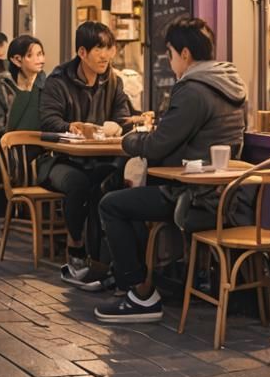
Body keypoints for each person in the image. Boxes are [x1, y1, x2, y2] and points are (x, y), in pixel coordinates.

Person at [94, 16, 247, 324]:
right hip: (227, 195)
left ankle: (140, 293)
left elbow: (158, 145)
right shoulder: (230, 83)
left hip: (194, 196)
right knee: (128, 194)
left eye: (171, 54)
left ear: (185, 54)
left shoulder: (193, 89)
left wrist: (126, 140)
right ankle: (142, 279)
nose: (170, 61)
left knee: (112, 204)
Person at [40, 21, 133, 282]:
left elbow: (122, 117)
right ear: (82, 52)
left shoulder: (113, 80)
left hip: (100, 158)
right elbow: (48, 121)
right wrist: (71, 126)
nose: (106, 55)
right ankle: (76, 246)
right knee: (79, 183)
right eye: (99, 49)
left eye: (109, 48)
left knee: (109, 183)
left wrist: (129, 123)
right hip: (60, 160)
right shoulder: (58, 81)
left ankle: (104, 257)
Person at [0, 35, 46, 135]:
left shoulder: (46, 84)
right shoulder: (3, 84)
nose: (39, 59)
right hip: (9, 145)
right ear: (17, 60)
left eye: (40, 54)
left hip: (42, 145)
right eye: (30, 55)